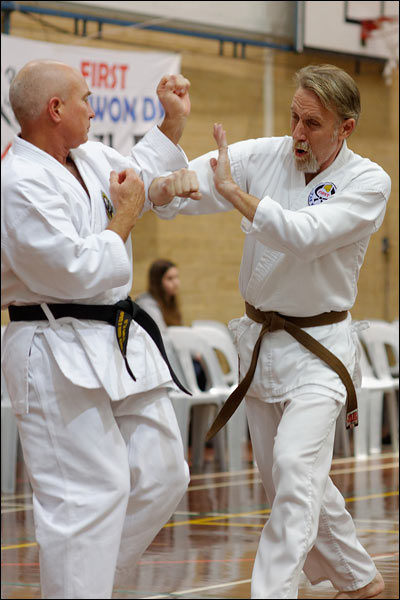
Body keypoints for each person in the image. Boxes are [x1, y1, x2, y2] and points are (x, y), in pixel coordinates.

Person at [148, 64, 389, 599]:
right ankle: (359, 578)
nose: (298, 133)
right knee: (287, 479)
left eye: (313, 124)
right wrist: (168, 186)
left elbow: (305, 235)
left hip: (320, 351)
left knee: (294, 469)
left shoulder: (369, 181)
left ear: (345, 128)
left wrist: (234, 194)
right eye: (294, 117)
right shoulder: (271, 154)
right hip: (260, 343)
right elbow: (197, 181)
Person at [1, 60, 199, 599]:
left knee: (162, 472)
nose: (95, 108)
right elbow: (69, 269)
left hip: (111, 338)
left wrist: (170, 140)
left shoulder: (84, 155)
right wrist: (127, 217)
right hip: (52, 340)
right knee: (88, 496)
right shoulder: (18, 180)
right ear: (55, 109)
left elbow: (135, 178)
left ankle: (85, 579)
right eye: (86, 99)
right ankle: (79, 585)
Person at [135, 258, 207, 389]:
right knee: (197, 372)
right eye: (170, 278)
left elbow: (181, 335)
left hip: (176, 356)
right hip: (158, 361)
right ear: (158, 282)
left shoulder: (171, 304)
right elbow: (163, 339)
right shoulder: (147, 304)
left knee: (203, 368)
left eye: (177, 277)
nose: (176, 283)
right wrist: (191, 352)